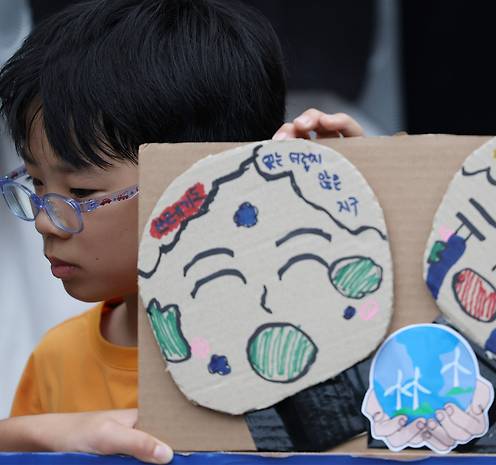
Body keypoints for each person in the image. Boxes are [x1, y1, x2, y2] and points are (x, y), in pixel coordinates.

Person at [0, 0, 362, 463]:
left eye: (82, 189)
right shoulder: (57, 360)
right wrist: (40, 433)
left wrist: (358, 207)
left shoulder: (298, 340)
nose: (47, 220)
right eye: (36, 182)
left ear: (204, 182)